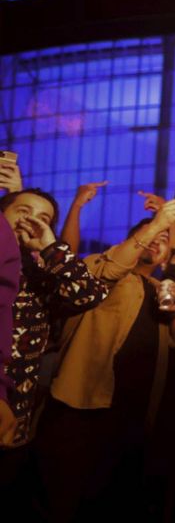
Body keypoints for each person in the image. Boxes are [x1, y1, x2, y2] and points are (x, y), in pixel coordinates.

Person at [36, 198, 175, 522]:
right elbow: (111, 269)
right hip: (80, 404)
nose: (157, 241)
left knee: (110, 504)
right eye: (151, 235)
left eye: (165, 242)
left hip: (133, 418)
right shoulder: (96, 268)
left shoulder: (161, 288)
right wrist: (156, 223)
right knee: (59, 501)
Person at [0, 176, 110, 513]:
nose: (31, 220)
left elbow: (89, 294)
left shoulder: (40, 273)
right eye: (22, 210)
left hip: (15, 416)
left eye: (43, 218)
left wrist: (49, 246)